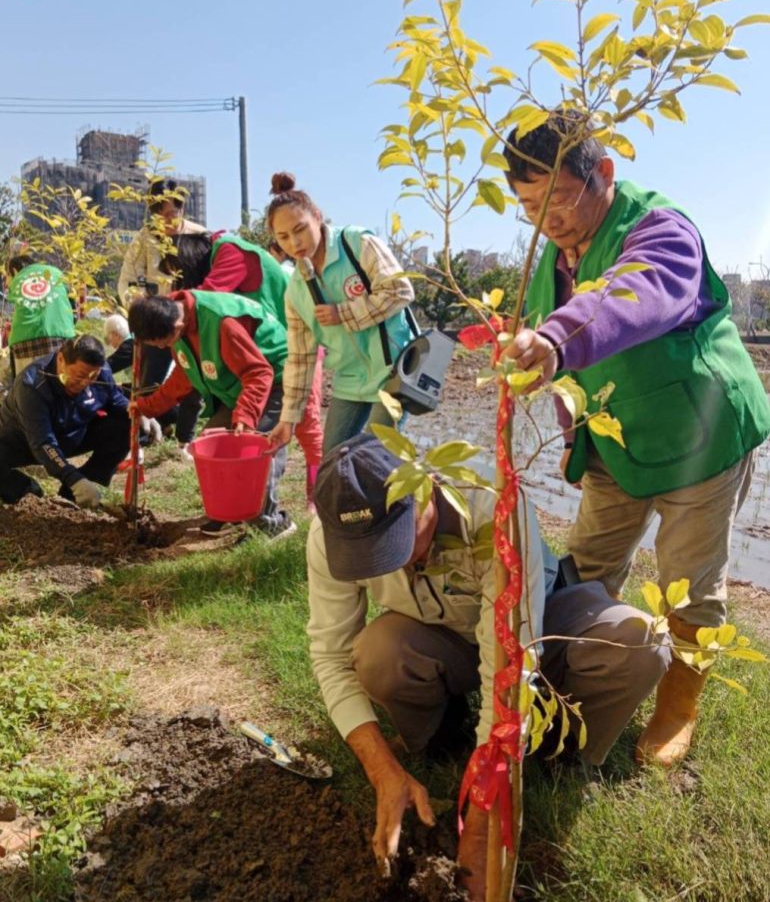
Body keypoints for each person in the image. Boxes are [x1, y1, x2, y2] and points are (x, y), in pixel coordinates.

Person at [501, 111, 770, 767]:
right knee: (588, 566)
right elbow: (558, 358)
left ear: (603, 174)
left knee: (689, 581)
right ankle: (573, 682)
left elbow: (636, 292)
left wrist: (557, 339)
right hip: (615, 443)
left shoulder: (659, 229)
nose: (547, 219)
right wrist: (568, 430)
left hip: (700, 433)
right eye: (529, 206)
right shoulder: (550, 259)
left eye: (559, 197)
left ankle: (678, 705)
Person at [308, 433, 670, 898]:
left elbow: (509, 664)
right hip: (438, 637)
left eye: (398, 543)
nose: (394, 566)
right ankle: (440, 739)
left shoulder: (491, 502)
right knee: (377, 654)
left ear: (424, 491)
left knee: (641, 643)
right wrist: (383, 771)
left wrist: (480, 819)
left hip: (538, 622)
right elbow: (331, 656)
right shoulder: (333, 536)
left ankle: (561, 755)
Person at [161, 230, 325, 510]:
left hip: (297, 345)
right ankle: (242, 502)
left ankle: (316, 497)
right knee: (252, 431)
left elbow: (206, 298)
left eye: (175, 273)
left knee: (306, 424)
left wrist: (163, 310)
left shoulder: (229, 252)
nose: (175, 280)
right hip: (266, 352)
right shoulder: (218, 257)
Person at [265, 172, 415, 456]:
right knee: (333, 465)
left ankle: (411, 499)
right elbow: (300, 358)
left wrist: (343, 314)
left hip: (393, 371)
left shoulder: (357, 244)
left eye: (300, 229)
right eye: (283, 237)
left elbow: (400, 289)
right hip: (350, 380)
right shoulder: (296, 290)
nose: (294, 243)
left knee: (376, 461)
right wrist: (288, 419)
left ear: (318, 217)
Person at [127, 290, 294, 538]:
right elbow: (184, 375)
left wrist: (245, 416)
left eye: (164, 341)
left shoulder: (222, 324)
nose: (163, 347)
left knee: (255, 450)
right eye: (156, 345)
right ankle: (231, 513)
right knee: (211, 446)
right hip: (239, 385)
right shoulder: (173, 323)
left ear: (178, 324)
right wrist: (147, 406)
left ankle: (270, 525)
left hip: (276, 382)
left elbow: (259, 373)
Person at [117, 178, 205, 452]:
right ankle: (142, 439)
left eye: (171, 213)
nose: (166, 221)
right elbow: (128, 280)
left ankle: (185, 441)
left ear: (181, 209)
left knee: (193, 380)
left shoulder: (198, 235)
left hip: (189, 320)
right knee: (149, 380)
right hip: (156, 320)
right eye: (159, 214)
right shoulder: (144, 238)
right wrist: (139, 308)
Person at [0, 335, 130, 508]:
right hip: (23, 443)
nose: (85, 383)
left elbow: (115, 399)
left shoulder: (101, 372)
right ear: (61, 359)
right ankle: (30, 496)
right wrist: (72, 478)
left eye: (92, 377)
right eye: (80, 376)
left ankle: (80, 491)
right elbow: (43, 442)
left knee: (126, 424)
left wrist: (138, 414)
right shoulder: (32, 385)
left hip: (72, 435)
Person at [6, 255, 76, 377]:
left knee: (27, 389)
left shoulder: (18, 278)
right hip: (60, 337)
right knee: (60, 385)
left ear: (15, 270)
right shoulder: (56, 272)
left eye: (8, 275)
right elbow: (72, 306)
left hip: (24, 343)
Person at [104, 313, 134, 378]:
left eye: (108, 336)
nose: (109, 341)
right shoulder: (131, 342)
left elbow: (107, 367)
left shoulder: (128, 347)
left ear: (116, 334)